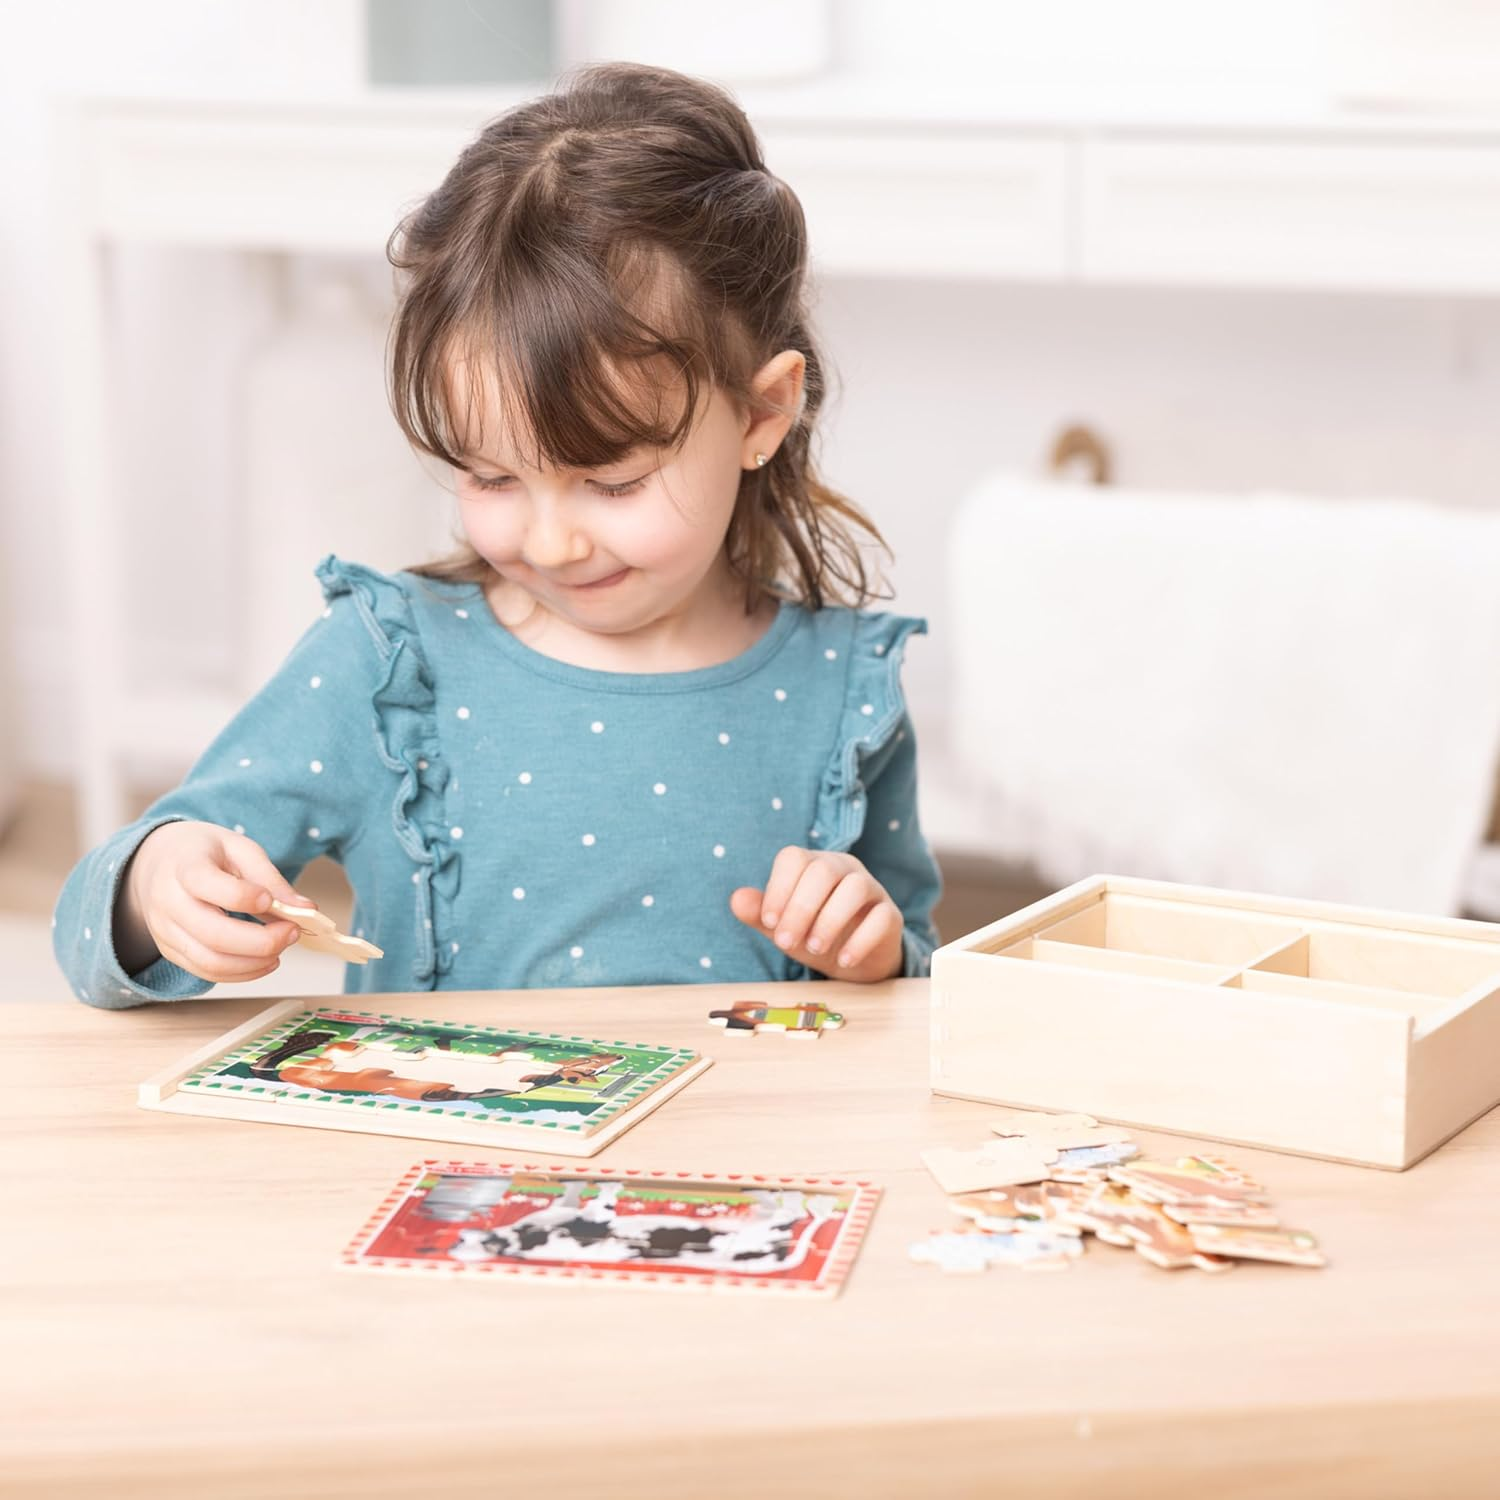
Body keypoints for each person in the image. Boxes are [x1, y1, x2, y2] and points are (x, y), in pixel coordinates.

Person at [52, 61, 941, 1009]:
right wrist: (159, 887)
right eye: (490, 476)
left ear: (763, 414)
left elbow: (914, 974)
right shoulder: (389, 665)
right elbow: (95, 924)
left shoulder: (841, 693)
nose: (553, 541)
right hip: (447, 1154)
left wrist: (875, 952)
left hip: (739, 1158)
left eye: (612, 481)